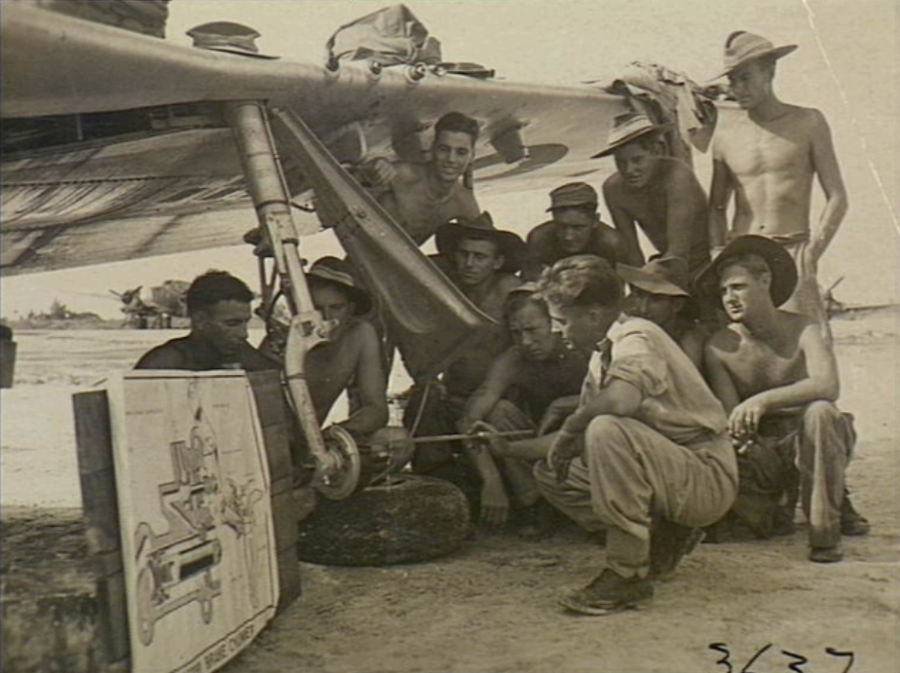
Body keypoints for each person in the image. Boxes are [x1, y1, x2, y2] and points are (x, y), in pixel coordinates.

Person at [526, 255, 737, 615]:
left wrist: (573, 426)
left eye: (561, 321)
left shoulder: (636, 336)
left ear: (592, 315)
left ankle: (628, 575)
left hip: (706, 472)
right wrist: (516, 447)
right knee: (552, 472)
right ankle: (663, 534)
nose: (558, 331)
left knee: (606, 428)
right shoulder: (601, 355)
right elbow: (579, 439)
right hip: (673, 469)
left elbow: (620, 402)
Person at [698, 236, 868, 562]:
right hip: (764, 449)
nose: (729, 298)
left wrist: (761, 400)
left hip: (815, 438)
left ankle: (824, 532)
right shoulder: (719, 347)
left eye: (738, 287)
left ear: (765, 281)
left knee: (820, 412)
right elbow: (732, 415)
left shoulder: (804, 328)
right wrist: (747, 443)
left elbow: (828, 385)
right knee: (750, 526)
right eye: (723, 292)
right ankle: (796, 502)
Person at [708, 32, 849, 342]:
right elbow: (716, 207)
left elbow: (837, 196)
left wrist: (812, 253)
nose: (737, 88)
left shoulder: (807, 122)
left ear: (770, 71)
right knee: (747, 352)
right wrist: (719, 255)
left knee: (806, 348)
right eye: (732, 80)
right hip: (742, 255)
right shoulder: (725, 136)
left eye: (745, 78)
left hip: (792, 251)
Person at [403, 213, 523, 497]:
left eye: (480, 257)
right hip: (454, 396)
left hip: (501, 396)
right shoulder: (446, 288)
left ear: (498, 262)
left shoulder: (510, 292)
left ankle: (523, 497)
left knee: (498, 414)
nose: (469, 264)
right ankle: (444, 491)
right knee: (423, 400)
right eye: (464, 254)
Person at [455, 285, 588, 531]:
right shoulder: (513, 359)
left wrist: (562, 405)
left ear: (553, 323)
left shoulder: (581, 351)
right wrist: (491, 480)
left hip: (582, 442)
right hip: (538, 444)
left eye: (532, 330)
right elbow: (469, 419)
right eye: (516, 333)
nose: (525, 341)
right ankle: (534, 502)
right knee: (498, 412)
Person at [598, 112, 711, 275]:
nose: (629, 170)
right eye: (620, 162)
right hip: (666, 262)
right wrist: (640, 284)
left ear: (657, 151)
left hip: (707, 260)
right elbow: (632, 251)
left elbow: (678, 253)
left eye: (637, 160)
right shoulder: (613, 189)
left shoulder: (677, 175)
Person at [365, 111, 482, 246]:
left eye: (461, 152)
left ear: (472, 156)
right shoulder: (403, 176)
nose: (451, 159)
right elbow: (353, 185)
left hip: (402, 264)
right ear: (433, 149)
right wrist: (373, 169)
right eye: (444, 149)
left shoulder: (463, 201)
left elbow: (489, 243)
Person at [135, 270, 281, 372]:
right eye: (232, 324)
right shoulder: (164, 363)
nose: (244, 334)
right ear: (200, 320)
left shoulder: (243, 353)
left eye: (245, 323)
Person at [617, 256, 709, 371]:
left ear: (677, 305)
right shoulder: (633, 331)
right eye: (640, 296)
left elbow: (685, 382)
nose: (644, 308)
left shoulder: (691, 339)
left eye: (656, 299)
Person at [522, 182, 628, 281]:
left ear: (595, 221)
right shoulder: (540, 239)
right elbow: (530, 285)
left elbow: (615, 292)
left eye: (578, 228)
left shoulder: (611, 244)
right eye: (561, 226)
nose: (568, 236)